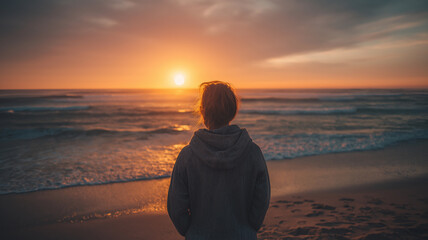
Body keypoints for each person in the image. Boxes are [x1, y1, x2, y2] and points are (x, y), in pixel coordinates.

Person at [167, 81, 270, 239]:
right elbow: (262, 198)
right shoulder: (252, 152)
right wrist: (249, 227)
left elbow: (176, 207)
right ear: (233, 111)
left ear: (202, 111)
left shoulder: (187, 156)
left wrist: (192, 231)